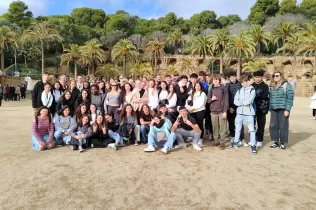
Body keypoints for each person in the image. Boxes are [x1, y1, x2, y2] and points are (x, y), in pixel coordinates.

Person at [228, 75, 257, 154]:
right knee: (237, 128)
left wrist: (240, 102)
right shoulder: (239, 90)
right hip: (239, 113)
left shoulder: (252, 90)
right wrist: (241, 102)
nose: (242, 84)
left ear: (247, 81)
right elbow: (235, 101)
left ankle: (253, 146)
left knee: (251, 130)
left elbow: (249, 101)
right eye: (241, 82)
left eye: (243, 82)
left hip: (249, 114)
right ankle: (236, 143)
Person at [269, 70, 294, 150]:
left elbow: (290, 98)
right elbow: (270, 97)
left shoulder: (286, 85)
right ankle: (275, 141)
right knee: (273, 126)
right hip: (273, 108)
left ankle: (283, 142)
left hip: (283, 109)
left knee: (283, 126)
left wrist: (287, 109)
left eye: (277, 76)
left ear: (281, 76)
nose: (275, 77)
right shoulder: (272, 85)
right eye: (274, 76)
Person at [207, 75, 229, 149]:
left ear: (219, 80)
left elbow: (226, 101)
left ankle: (222, 142)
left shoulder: (223, 88)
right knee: (215, 127)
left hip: (221, 111)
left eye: (217, 80)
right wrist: (212, 99)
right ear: (212, 81)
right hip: (213, 111)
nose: (215, 81)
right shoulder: (211, 89)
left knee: (222, 127)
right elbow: (208, 101)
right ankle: (216, 140)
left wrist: (225, 111)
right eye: (214, 80)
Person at [225, 71, 245, 145]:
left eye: (234, 76)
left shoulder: (240, 84)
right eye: (231, 77)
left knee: (240, 122)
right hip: (231, 107)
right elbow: (226, 96)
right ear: (229, 78)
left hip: (239, 106)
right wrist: (229, 107)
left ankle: (241, 137)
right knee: (231, 122)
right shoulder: (227, 85)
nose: (232, 78)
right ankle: (232, 135)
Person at [252, 70, 269, 147]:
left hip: (262, 108)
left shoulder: (265, 86)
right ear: (254, 78)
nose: (257, 79)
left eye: (259, 77)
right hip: (252, 107)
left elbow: (265, 96)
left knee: (261, 124)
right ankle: (253, 138)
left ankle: (259, 139)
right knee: (252, 124)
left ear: (261, 77)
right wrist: (258, 94)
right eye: (256, 77)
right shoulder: (251, 86)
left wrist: (255, 95)